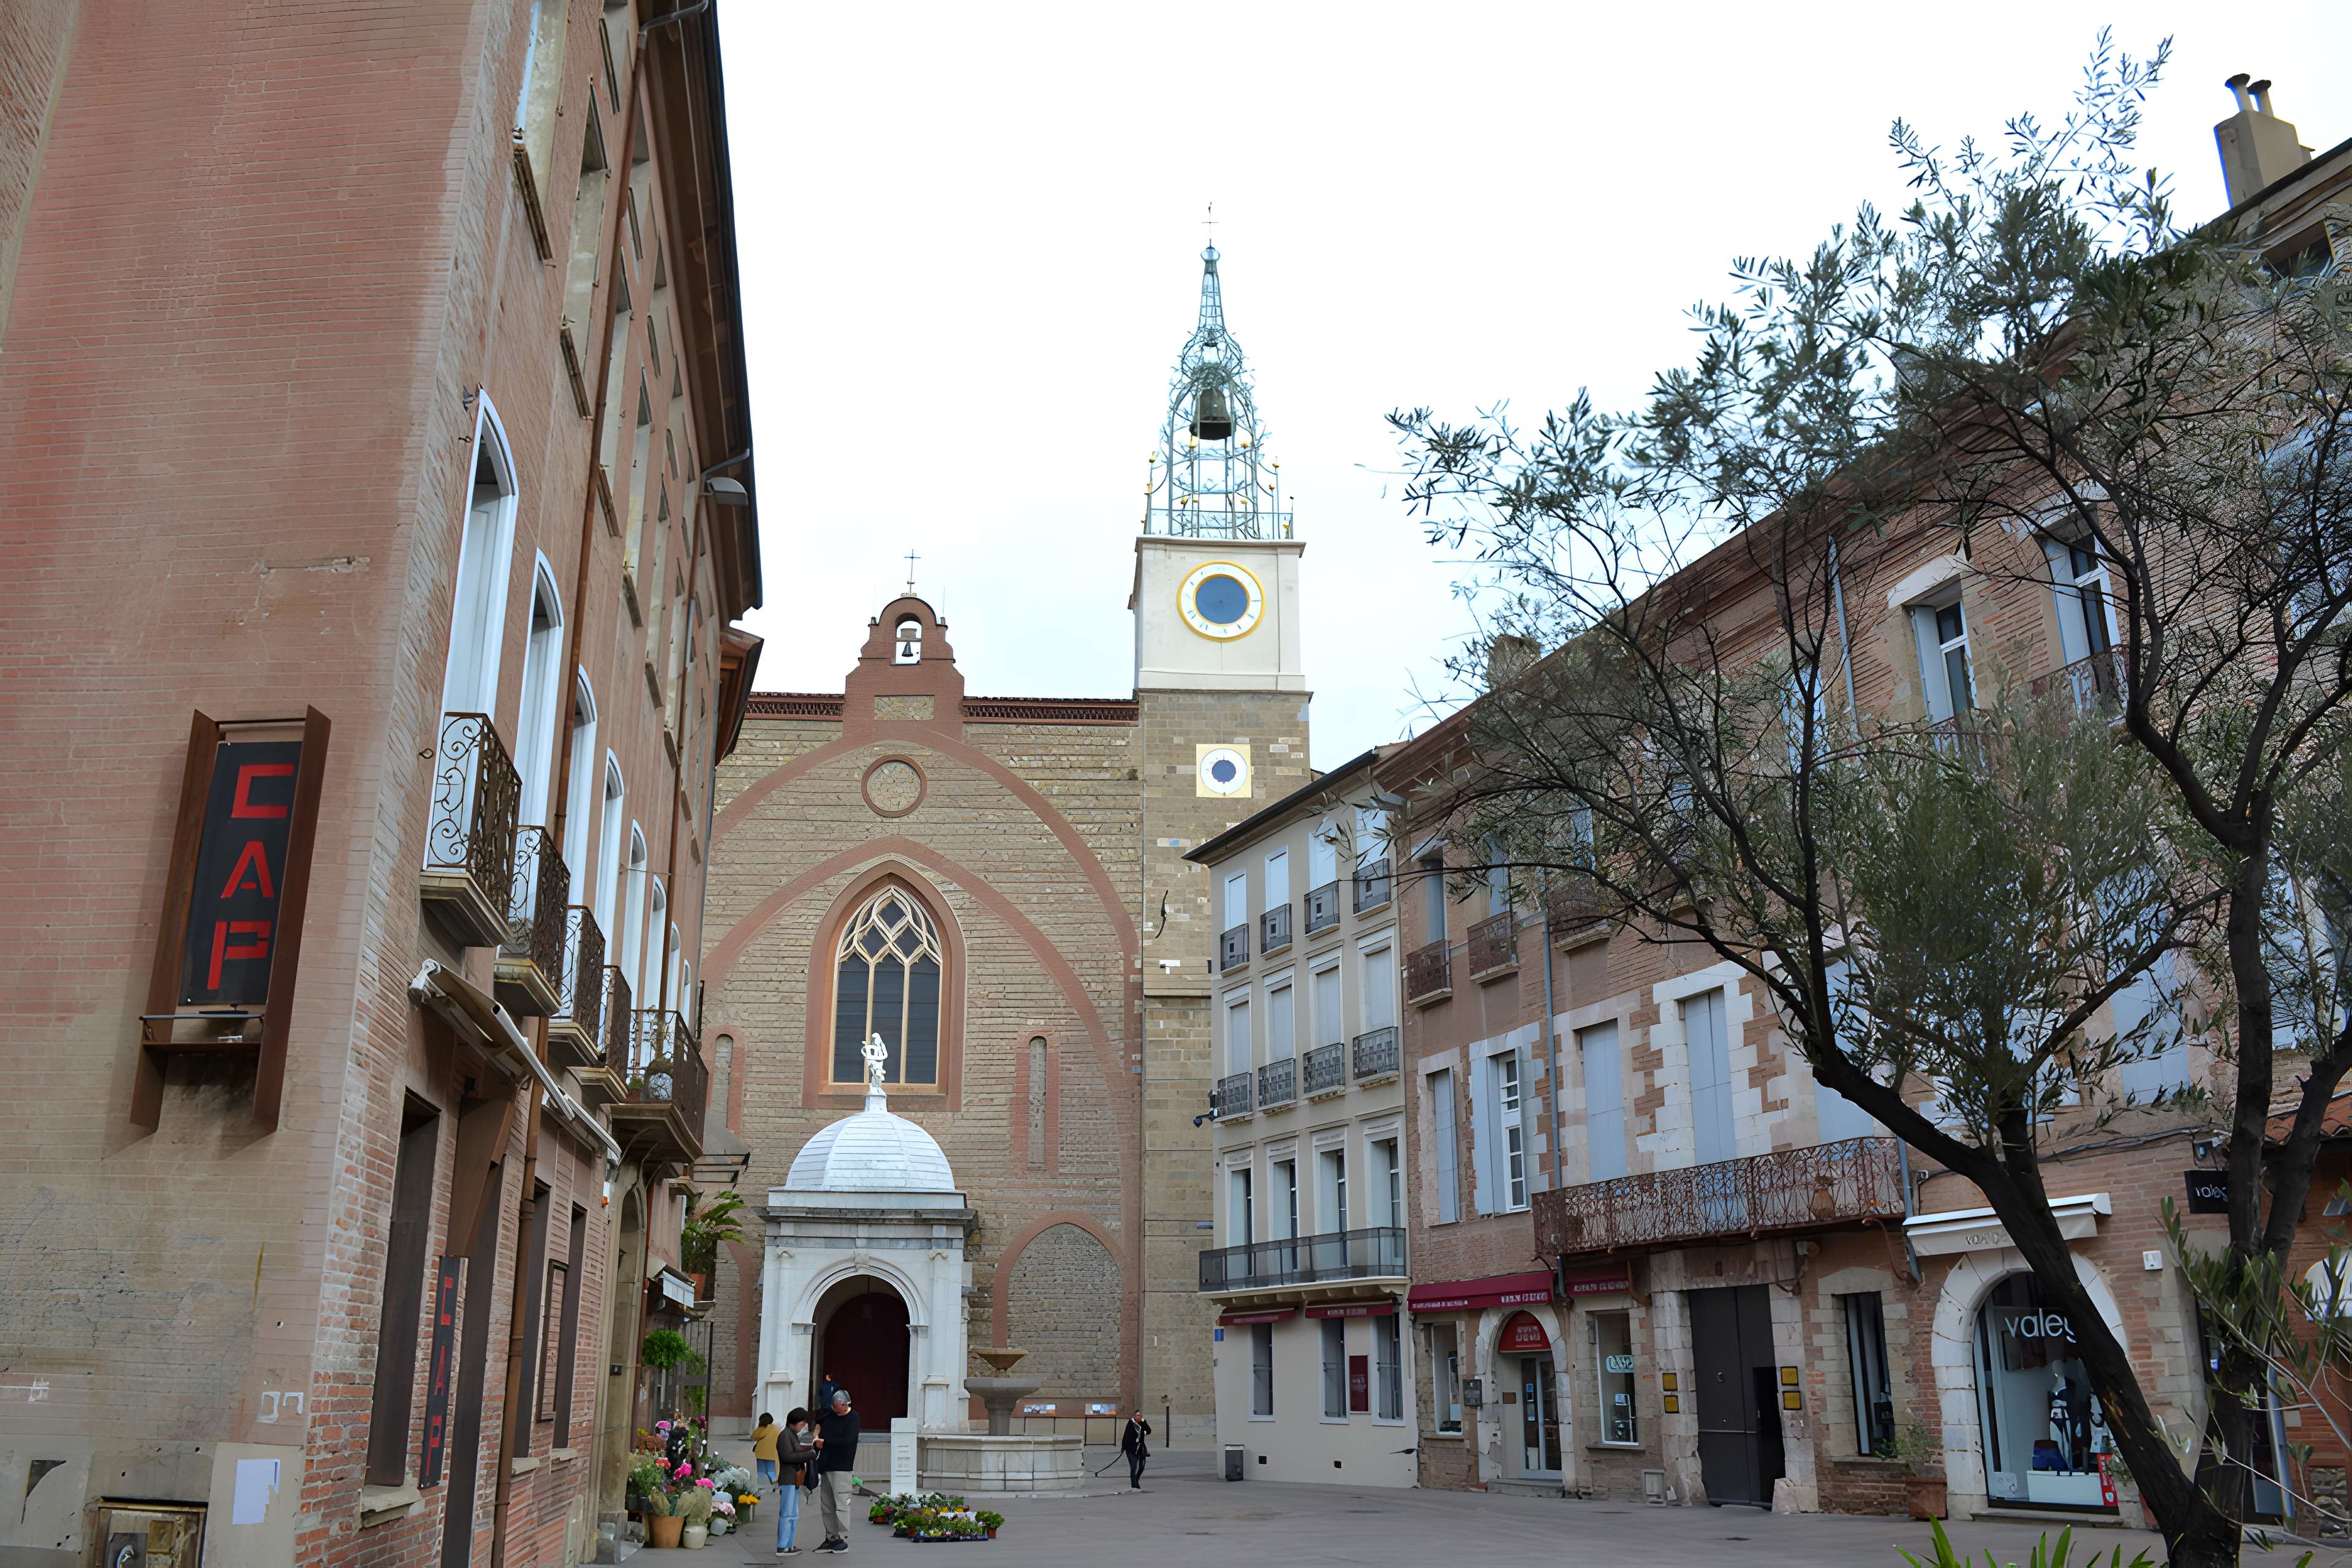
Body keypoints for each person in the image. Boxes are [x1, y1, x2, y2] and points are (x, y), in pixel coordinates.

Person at [813, 1390, 860, 1552]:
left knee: (841, 1503)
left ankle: (840, 1538)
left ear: (845, 1405)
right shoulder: (831, 1414)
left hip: (842, 1467)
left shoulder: (853, 1418)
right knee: (827, 1504)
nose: (834, 1410)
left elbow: (848, 1441)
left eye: (837, 1407)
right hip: (826, 1466)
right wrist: (817, 1432)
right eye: (832, 1407)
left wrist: (825, 1442)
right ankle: (830, 1537)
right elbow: (820, 1421)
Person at [775, 1408, 818, 1556]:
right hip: (788, 1479)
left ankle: (789, 1545)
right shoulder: (784, 1435)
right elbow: (788, 1456)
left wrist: (812, 1447)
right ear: (792, 1423)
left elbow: (798, 1449)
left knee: (793, 1514)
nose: (803, 1427)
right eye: (801, 1424)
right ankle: (782, 1546)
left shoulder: (791, 1434)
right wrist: (810, 1454)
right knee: (787, 1514)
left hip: (794, 1479)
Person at [1120, 1410, 1152, 1490]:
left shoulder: (1143, 1423)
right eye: (1137, 1416)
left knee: (1141, 1468)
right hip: (1131, 1449)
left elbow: (1149, 1431)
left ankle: (1136, 1479)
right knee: (1134, 1467)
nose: (1139, 1417)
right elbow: (1126, 1436)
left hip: (1141, 1449)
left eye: (1140, 1416)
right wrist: (1124, 1447)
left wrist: (1144, 1423)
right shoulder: (1131, 1423)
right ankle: (1134, 1485)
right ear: (1134, 1416)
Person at [751, 1411, 781, 1489]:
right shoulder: (777, 1429)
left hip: (760, 1454)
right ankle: (774, 1486)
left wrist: (759, 1427)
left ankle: (762, 1487)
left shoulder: (761, 1428)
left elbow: (753, 1436)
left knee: (761, 1472)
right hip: (772, 1455)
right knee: (772, 1471)